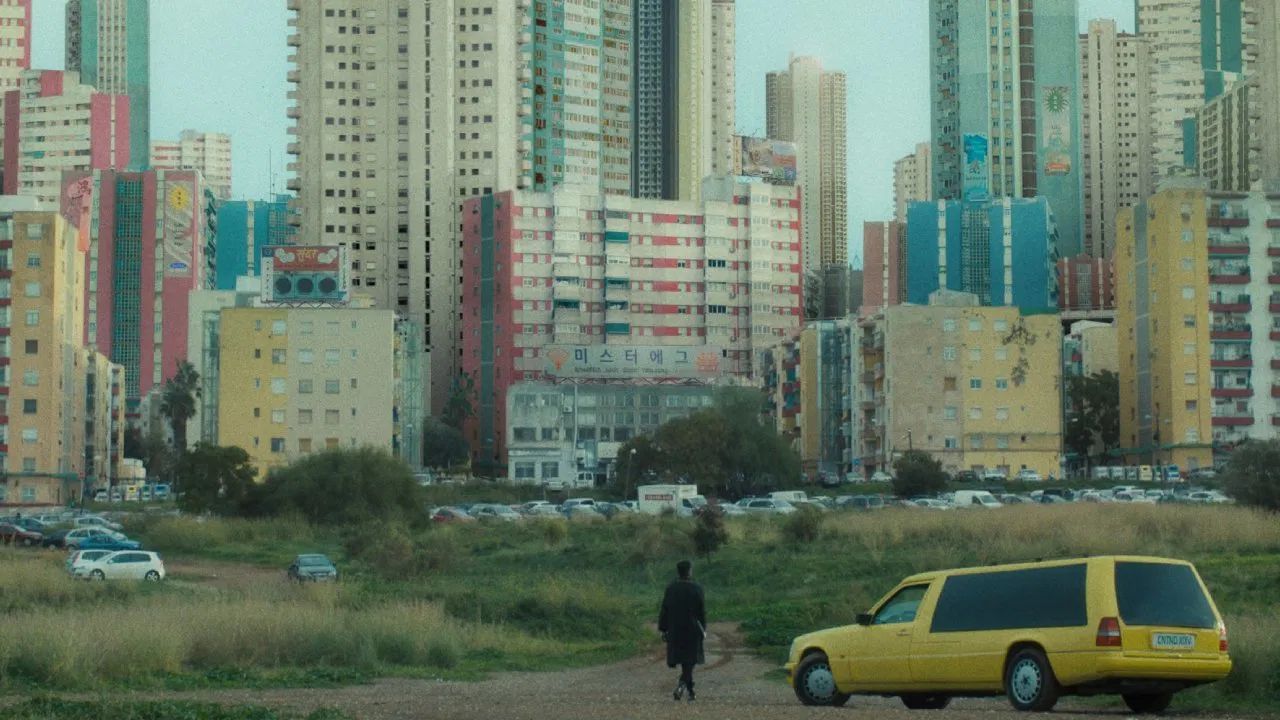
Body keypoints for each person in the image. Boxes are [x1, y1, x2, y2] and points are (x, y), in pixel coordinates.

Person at [658, 559, 706, 703]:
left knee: (685, 660)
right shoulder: (696, 588)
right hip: (692, 628)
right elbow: (701, 611)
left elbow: (665, 609)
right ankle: (682, 684)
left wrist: (663, 629)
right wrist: (703, 628)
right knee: (690, 659)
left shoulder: (671, 588)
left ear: (678, 572)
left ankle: (691, 692)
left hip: (675, 628)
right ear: (689, 571)